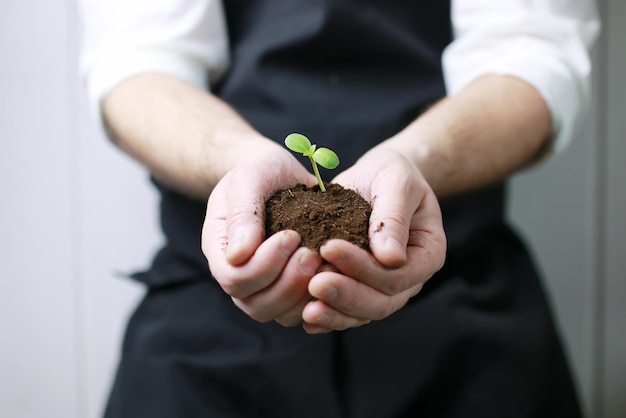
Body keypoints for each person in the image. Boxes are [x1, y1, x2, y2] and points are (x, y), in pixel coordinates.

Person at [79, 0, 599, 417]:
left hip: (460, 314)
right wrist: (238, 157)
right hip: (209, 319)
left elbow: (532, 52)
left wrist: (412, 159)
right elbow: (139, 61)